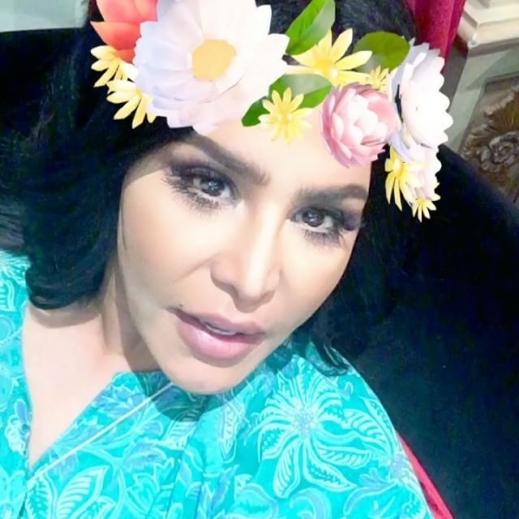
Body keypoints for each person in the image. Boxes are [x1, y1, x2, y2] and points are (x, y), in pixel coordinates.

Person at [0, 0, 454, 516]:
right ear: (114, 148)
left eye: (318, 218)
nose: (253, 280)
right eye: (209, 185)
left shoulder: (333, 459)